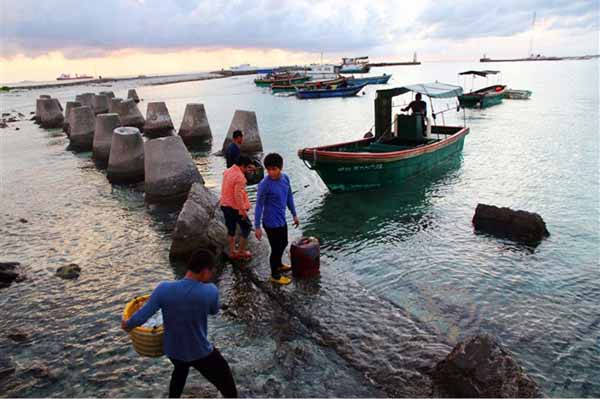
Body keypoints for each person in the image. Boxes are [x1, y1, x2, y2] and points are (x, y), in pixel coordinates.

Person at [122, 250, 238, 398]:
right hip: (199, 351)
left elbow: (141, 316)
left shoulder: (163, 288)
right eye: (211, 271)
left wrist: (126, 324)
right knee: (226, 379)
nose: (212, 274)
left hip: (173, 351)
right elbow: (214, 311)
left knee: (180, 370)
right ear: (204, 271)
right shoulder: (210, 291)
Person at [254, 153, 299, 285]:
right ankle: (275, 275)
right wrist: (257, 227)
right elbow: (259, 205)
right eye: (268, 170)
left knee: (284, 243)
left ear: (280, 168)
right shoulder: (264, 184)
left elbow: (289, 196)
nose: (271, 172)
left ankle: (279, 265)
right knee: (276, 248)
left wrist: (294, 214)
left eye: (274, 169)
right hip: (270, 222)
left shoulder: (285, 179)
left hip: (281, 220)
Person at [220, 155, 253, 260]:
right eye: (247, 167)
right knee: (247, 227)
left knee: (231, 229)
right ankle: (241, 251)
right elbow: (237, 196)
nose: (248, 170)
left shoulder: (228, 171)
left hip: (224, 204)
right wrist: (242, 211)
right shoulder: (240, 178)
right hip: (234, 207)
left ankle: (232, 251)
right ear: (243, 166)